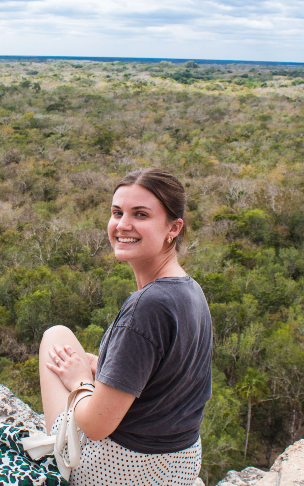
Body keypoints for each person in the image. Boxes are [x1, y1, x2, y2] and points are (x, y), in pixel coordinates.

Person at [38, 168, 212, 486]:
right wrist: (100, 365)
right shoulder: (190, 291)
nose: (123, 225)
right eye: (117, 212)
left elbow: (95, 426)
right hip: (179, 467)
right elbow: (162, 375)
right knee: (75, 352)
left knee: (55, 337)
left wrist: (80, 381)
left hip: (119, 472)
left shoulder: (148, 306)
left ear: (174, 228)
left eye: (140, 214)